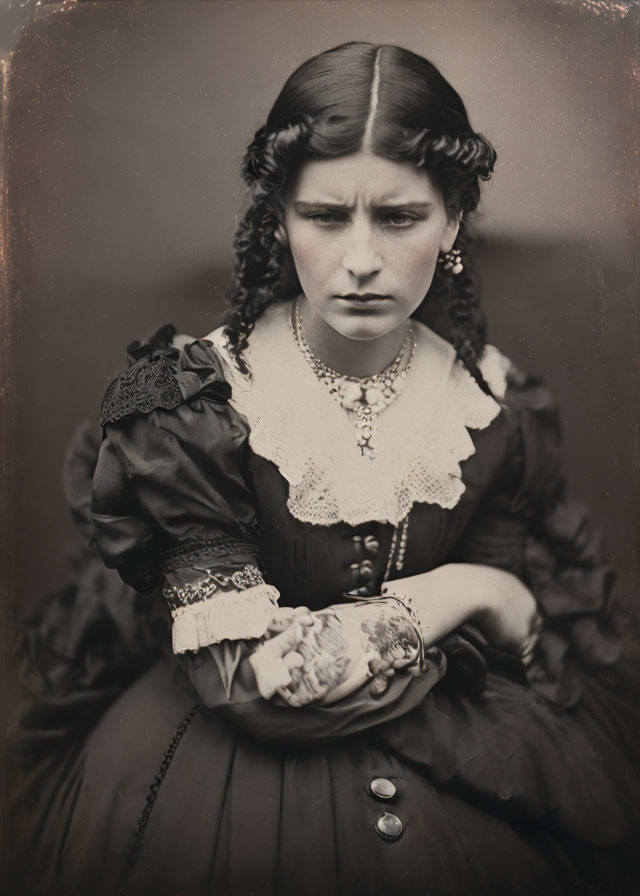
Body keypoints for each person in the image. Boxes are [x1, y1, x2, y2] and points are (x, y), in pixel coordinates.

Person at [10, 41, 640, 896]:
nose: (361, 261)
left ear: (453, 220)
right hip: (223, 793)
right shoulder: (191, 408)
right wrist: (470, 594)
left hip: (467, 778)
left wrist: (480, 592)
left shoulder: (493, 404)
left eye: (400, 217)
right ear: (278, 218)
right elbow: (255, 684)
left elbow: (519, 644)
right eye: (325, 215)